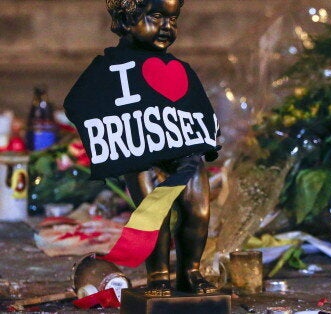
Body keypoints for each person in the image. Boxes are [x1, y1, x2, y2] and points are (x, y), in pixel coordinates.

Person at [101, 0, 217, 295]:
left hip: (183, 152)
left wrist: (209, 132)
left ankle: (191, 271)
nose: (167, 26)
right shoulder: (114, 71)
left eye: (173, 18)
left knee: (199, 210)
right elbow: (90, 107)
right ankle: (158, 275)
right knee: (155, 213)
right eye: (156, 16)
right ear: (127, 21)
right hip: (143, 154)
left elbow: (197, 106)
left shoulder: (179, 68)